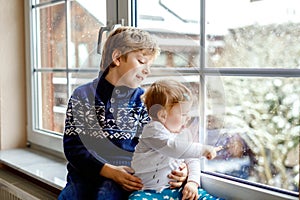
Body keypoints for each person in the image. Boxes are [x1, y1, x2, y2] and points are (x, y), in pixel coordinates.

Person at [58, 26, 188, 200]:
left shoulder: (146, 101)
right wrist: (109, 171)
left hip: (129, 177)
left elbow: (165, 141)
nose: (147, 70)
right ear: (117, 57)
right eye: (142, 62)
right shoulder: (83, 96)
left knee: (107, 195)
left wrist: (182, 168)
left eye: (149, 65)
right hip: (85, 175)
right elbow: (74, 148)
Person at [129, 79, 224, 200]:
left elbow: (191, 159)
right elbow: (173, 148)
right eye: (183, 114)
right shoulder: (153, 130)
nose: (188, 117)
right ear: (163, 115)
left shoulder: (181, 133)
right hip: (148, 191)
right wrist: (203, 149)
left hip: (177, 189)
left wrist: (192, 183)